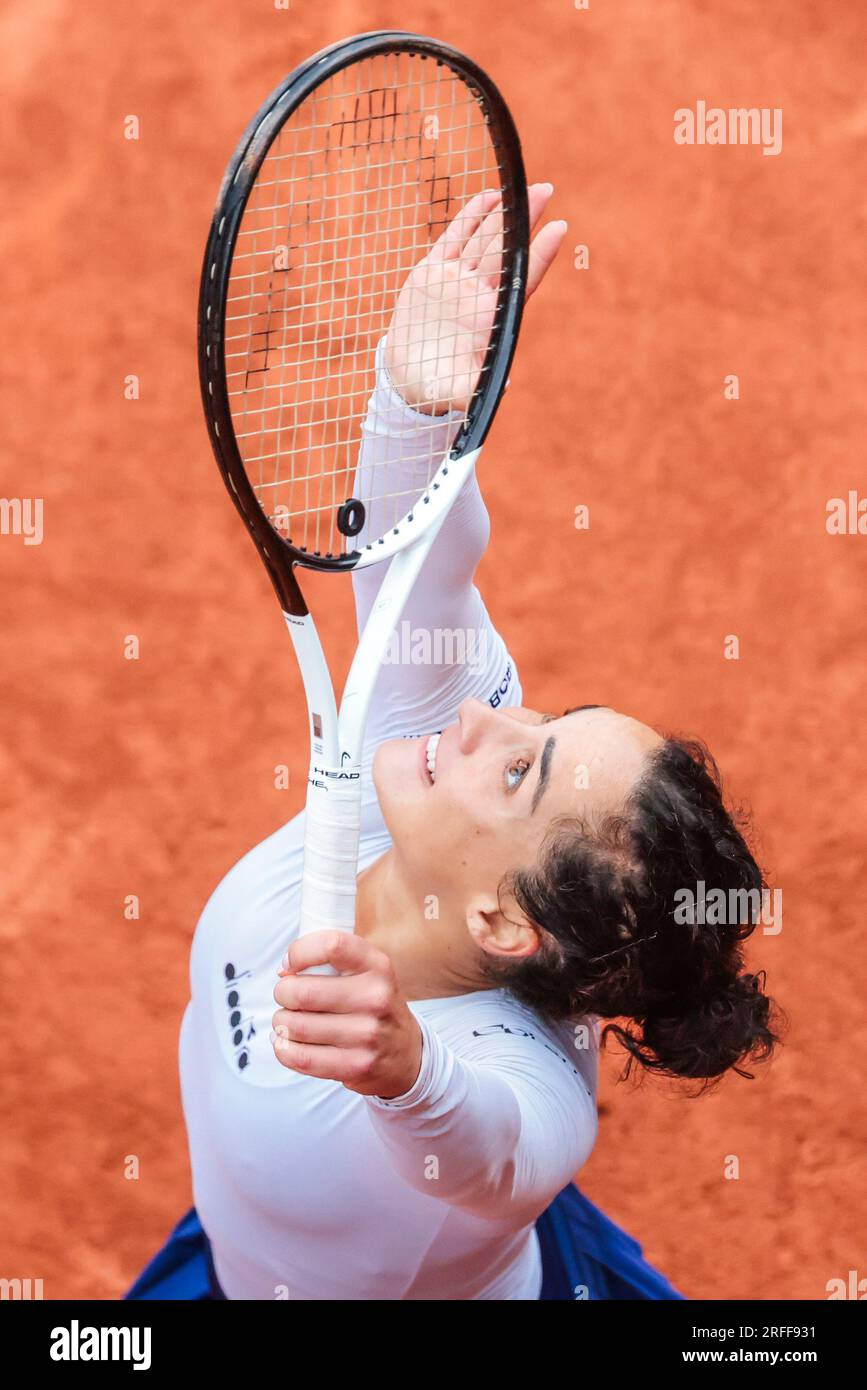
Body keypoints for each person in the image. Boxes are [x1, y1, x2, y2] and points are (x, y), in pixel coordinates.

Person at [127, 183, 779, 1302]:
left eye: (523, 769)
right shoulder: (439, 767)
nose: (489, 717)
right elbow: (413, 570)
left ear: (503, 921)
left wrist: (408, 1071)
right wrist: (411, 408)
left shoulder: (532, 1098)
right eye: (549, 719)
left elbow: (487, 1147)